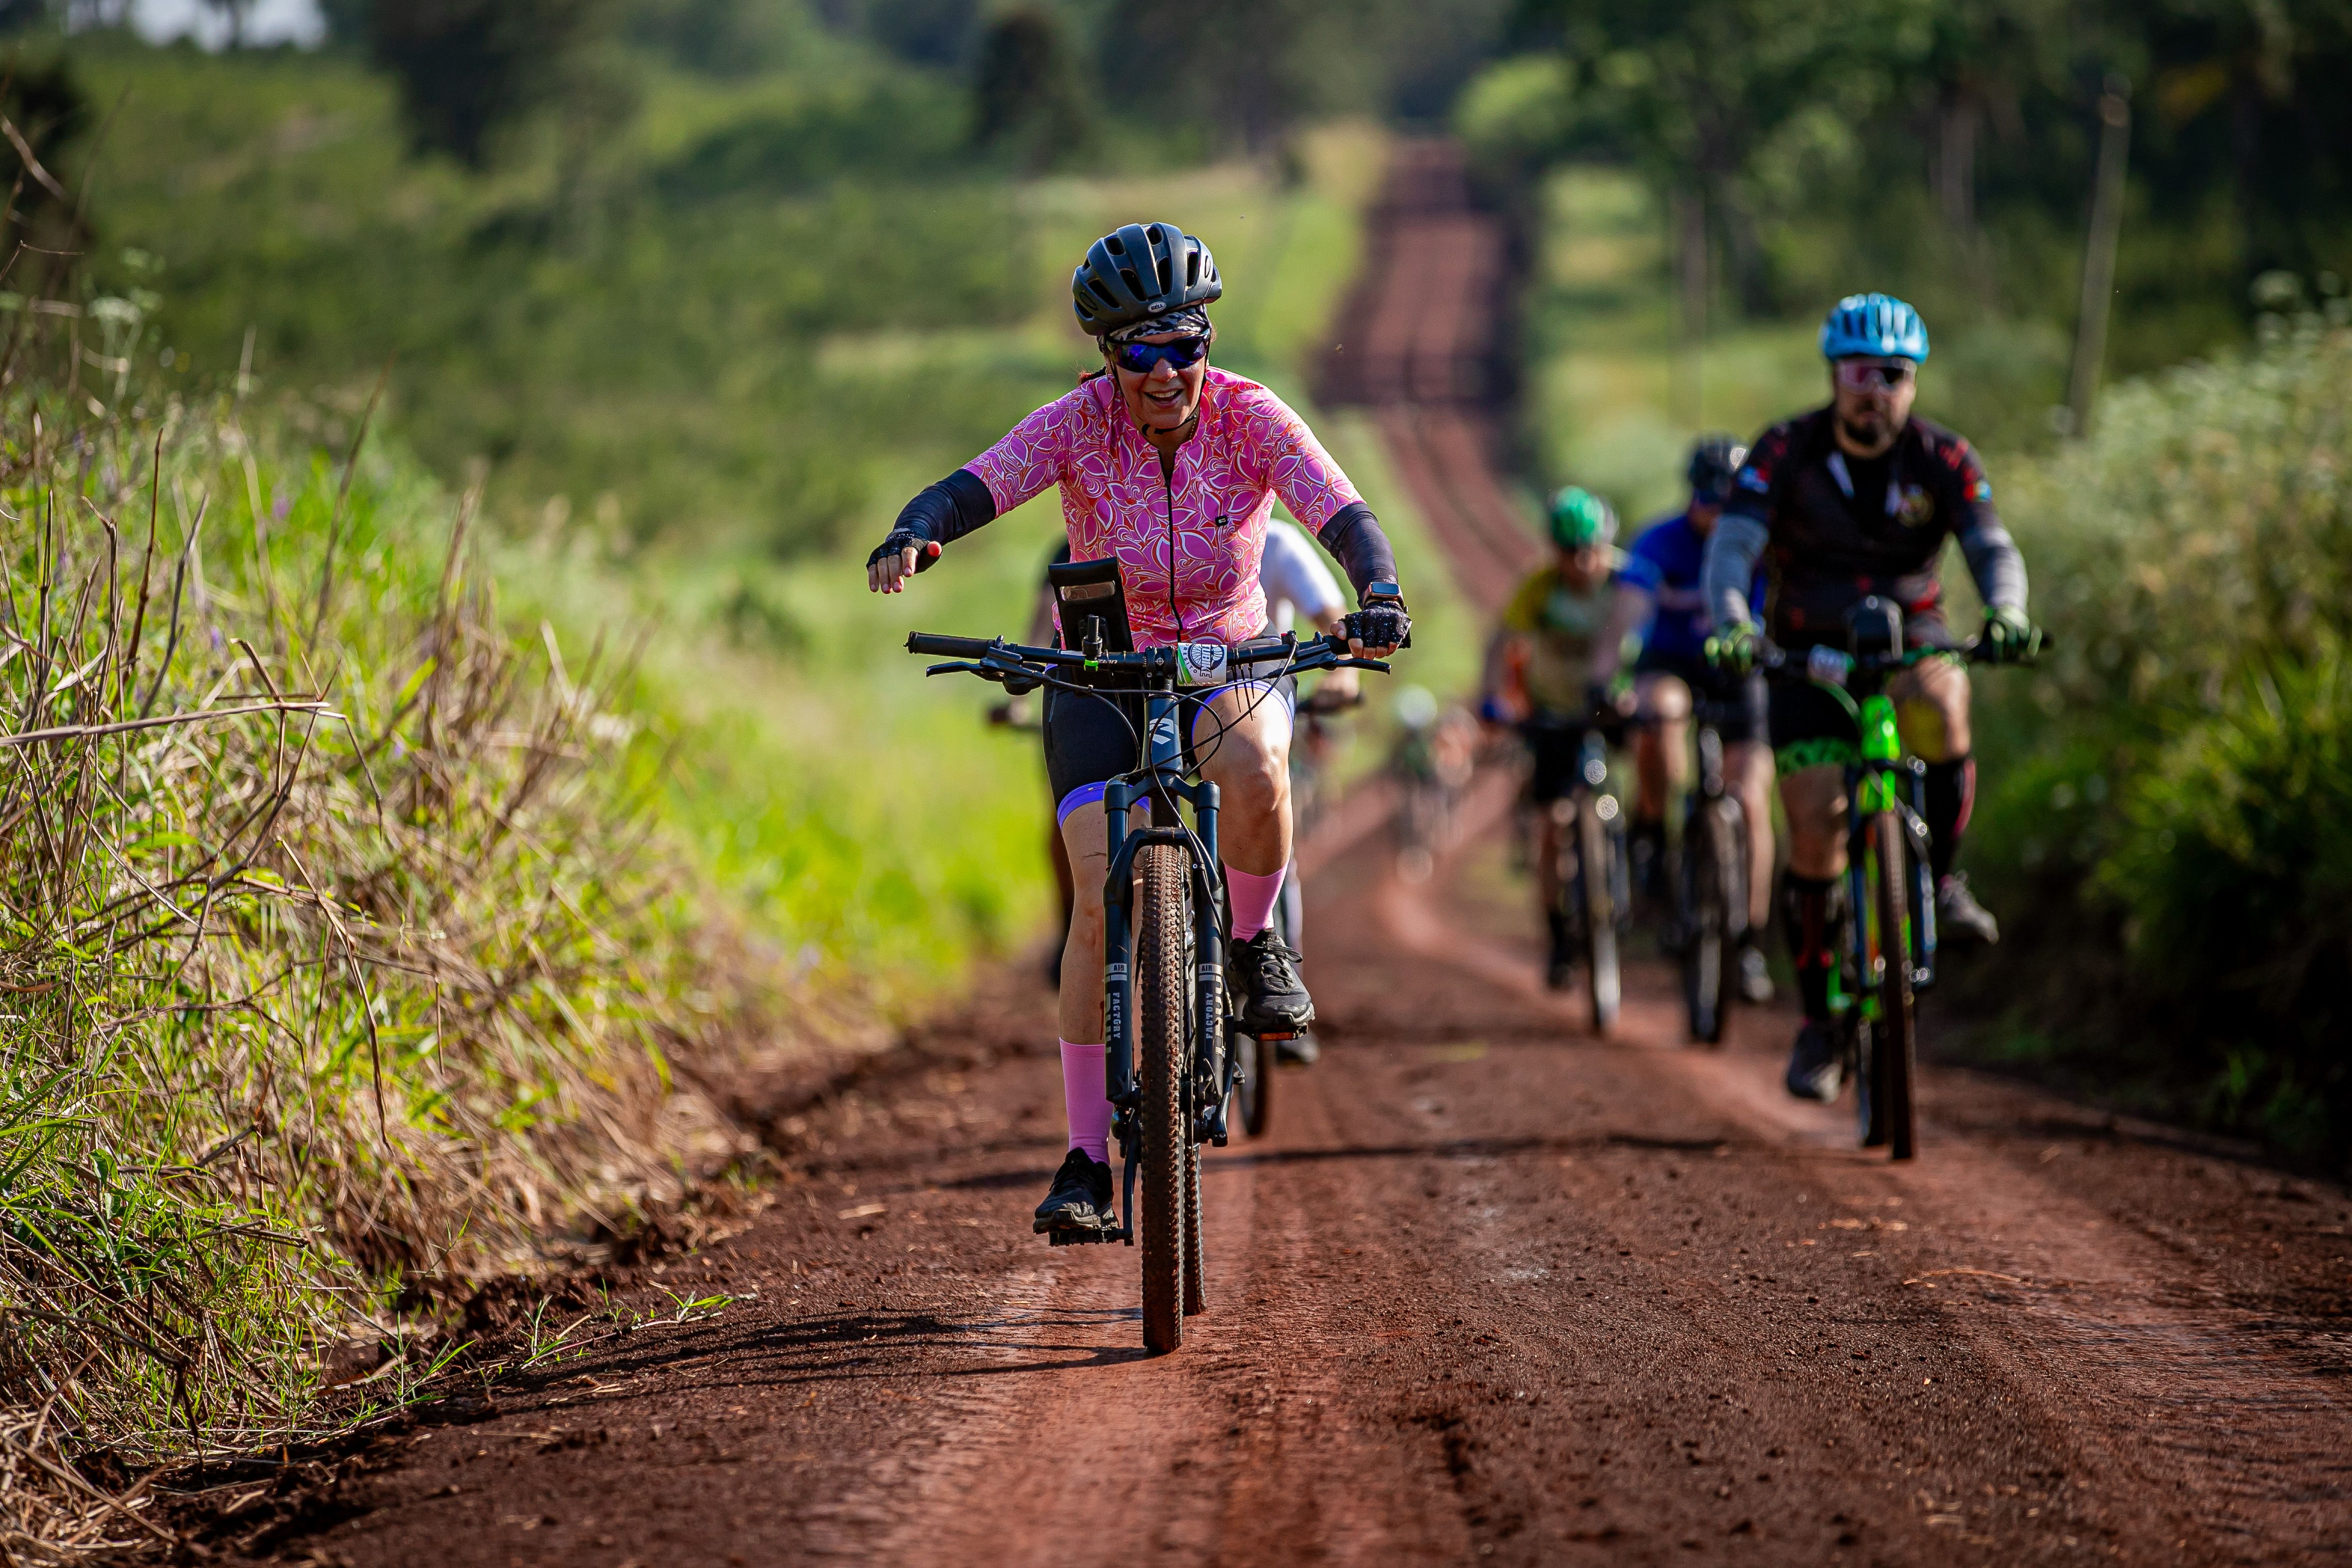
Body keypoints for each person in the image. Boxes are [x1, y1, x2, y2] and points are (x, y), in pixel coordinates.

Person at [866, 222, 1411, 1237]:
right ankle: (1084, 1157)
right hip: (1099, 668)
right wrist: (917, 530)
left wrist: (1378, 589)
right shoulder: (1076, 424)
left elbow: (1342, 513)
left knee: (1259, 770)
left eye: (1183, 345)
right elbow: (979, 483)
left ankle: (1254, 947)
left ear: (1208, 340)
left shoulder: (1252, 417)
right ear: (1107, 355)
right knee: (1089, 903)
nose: (1165, 373)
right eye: (1140, 352)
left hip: (1226, 657)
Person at [1701, 292, 2038, 1102]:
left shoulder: (1945, 457)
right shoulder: (1783, 451)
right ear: (1834, 376)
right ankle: (1819, 1023)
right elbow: (1734, 547)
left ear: (1913, 381)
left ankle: (1942, 882)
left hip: (1912, 638)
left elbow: (1991, 546)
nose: (1874, 391)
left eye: (1893, 374)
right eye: (1859, 373)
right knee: (1814, 832)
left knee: (1945, 707)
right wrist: (1732, 623)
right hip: (1803, 653)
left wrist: (2008, 612)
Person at [1589, 435, 1777, 1003]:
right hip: (1672, 663)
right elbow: (1629, 611)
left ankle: (1749, 943)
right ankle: (1655, 833)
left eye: (1726, 501)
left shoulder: (1762, 541)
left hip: (1742, 669)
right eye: (1706, 499)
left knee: (1751, 800)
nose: (1715, 512)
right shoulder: (1659, 541)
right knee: (1661, 714)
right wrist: (1606, 675)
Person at [1483, 485, 1623, 989]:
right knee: (1551, 829)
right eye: (1568, 552)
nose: (1581, 563)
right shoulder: (1539, 588)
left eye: (1590, 550)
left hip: (1613, 708)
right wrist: (1490, 698)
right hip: (1554, 714)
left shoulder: (1628, 581)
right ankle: (1560, 935)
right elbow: (1501, 642)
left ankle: (1651, 863)